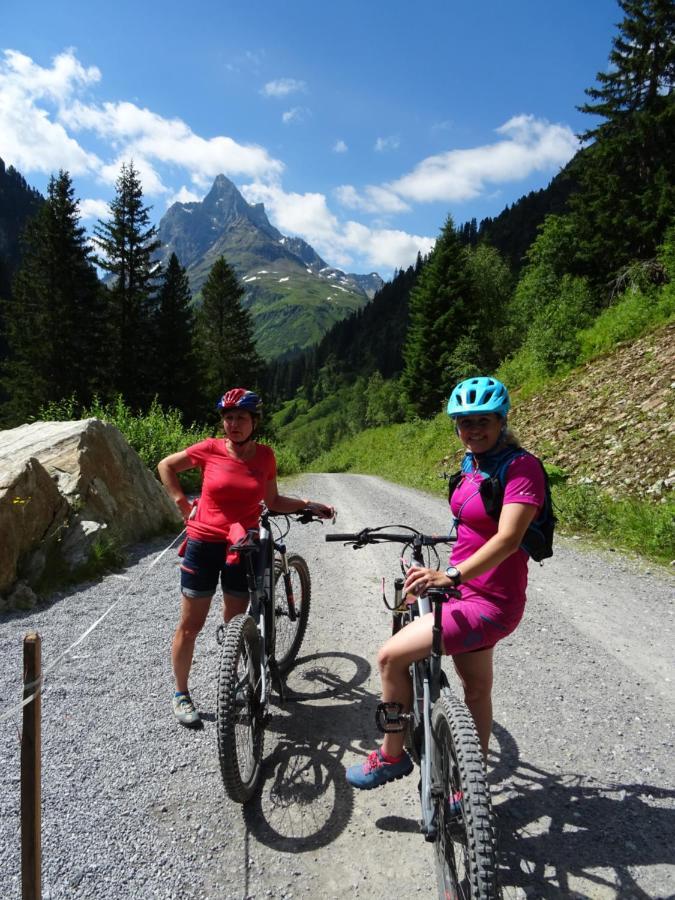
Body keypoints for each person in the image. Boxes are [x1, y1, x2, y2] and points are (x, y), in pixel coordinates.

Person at [346, 376, 546, 789]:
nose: (472, 430)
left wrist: (450, 573)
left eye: (481, 421)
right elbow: (473, 525)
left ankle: (391, 756)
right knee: (475, 688)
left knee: (389, 658)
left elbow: (508, 538)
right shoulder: (473, 463)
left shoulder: (521, 467)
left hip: (489, 599)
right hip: (460, 587)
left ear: (501, 420)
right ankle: (469, 784)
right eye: (463, 423)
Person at [158, 387, 334, 728]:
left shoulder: (265, 456)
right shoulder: (209, 449)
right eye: (227, 418)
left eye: (240, 417)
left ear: (254, 421)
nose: (233, 424)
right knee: (191, 625)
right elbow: (166, 466)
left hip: (244, 546)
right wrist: (182, 504)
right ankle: (181, 693)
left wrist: (308, 504)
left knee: (234, 623)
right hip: (204, 543)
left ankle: (232, 681)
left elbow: (274, 500)